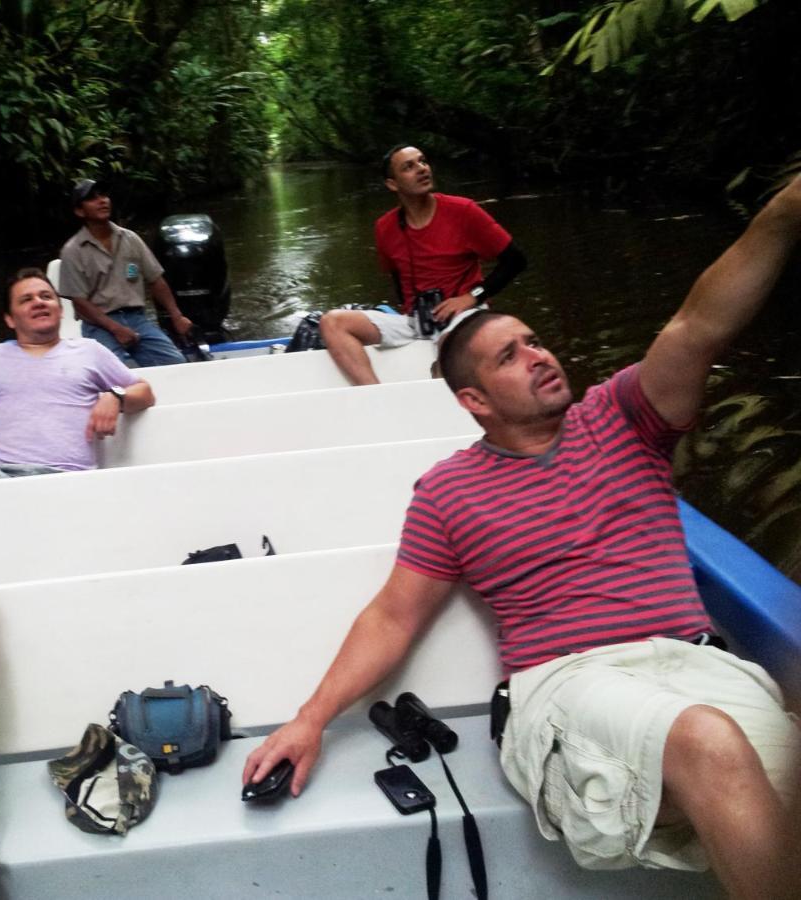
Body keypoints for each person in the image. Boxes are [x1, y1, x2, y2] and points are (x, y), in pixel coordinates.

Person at [246, 175, 801, 900]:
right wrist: (310, 718)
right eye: (509, 357)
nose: (539, 356)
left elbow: (698, 326)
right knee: (705, 741)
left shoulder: (626, 417)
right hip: (570, 683)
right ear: (473, 401)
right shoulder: (449, 490)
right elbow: (394, 615)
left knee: (723, 745)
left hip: (697, 668)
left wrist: (786, 212)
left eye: (535, 342)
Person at [0, 267, 155, 485]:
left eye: (46, 297)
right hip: (1, 477)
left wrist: (115, 397)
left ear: (60, 311)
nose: (38, 302)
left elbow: (145, 392)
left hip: (70, 478)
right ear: (10, 319)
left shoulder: (89, 351)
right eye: (26, 300)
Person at [320, 144, 527, 385]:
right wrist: (409, 309)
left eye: (423, 161)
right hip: (416, 320)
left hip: (464, 314)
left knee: (447, 351)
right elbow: (396, 275)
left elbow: (515, 260)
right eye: (409, 167)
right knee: (332, 322)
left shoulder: (463, 211)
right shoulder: (384, 227)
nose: (421, 169)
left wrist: (472, 296)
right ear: (392, 184)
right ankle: (376, 396)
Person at [57, 179, 193, 368]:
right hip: (99, 325)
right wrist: (116, 329)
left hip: (136, 318)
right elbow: (80, 303)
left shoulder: (131, 239)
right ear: (80, 211)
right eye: (92, 198)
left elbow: (156, 280)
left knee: (176, 364)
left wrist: (177, 315)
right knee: (112, 372)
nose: (102, 201)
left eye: (103, 196)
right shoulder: (72, 251)